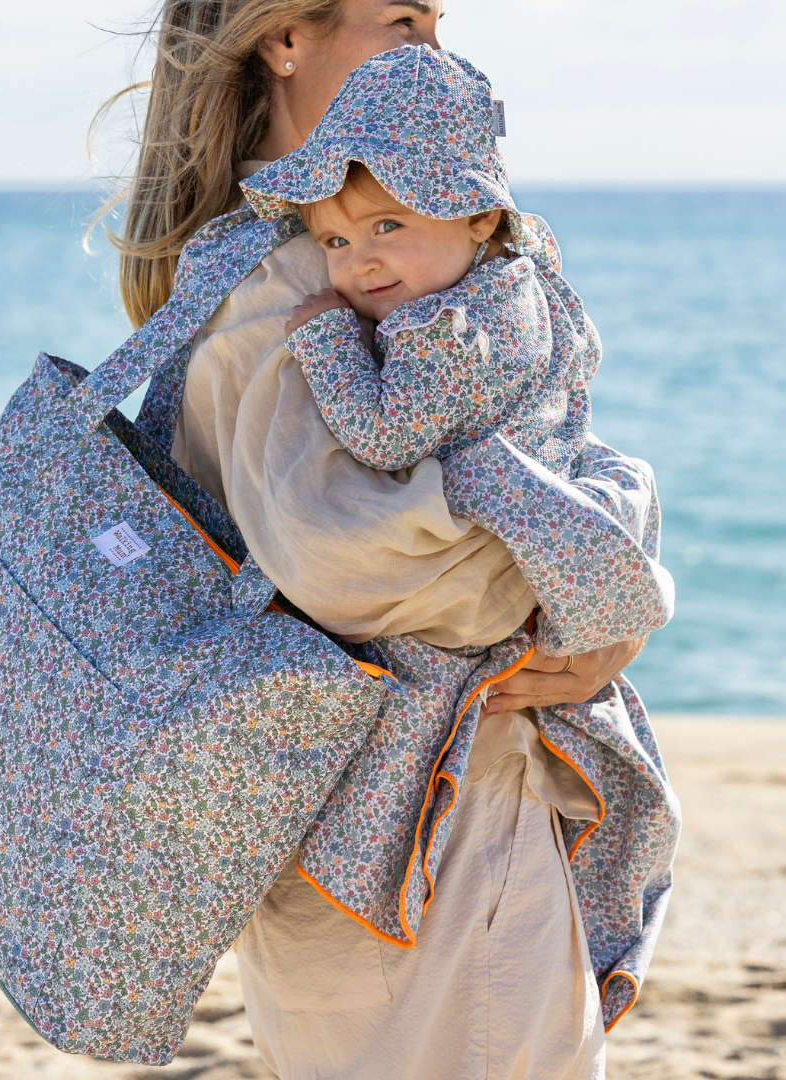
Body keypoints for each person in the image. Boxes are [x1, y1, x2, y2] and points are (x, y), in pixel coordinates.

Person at [96, 2, 679, 1077]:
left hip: (358, 832)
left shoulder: (295, 259)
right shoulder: (293, 280)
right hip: (425, 833)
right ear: (284, 37)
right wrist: (585, 578)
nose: (436, 53)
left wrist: (600, 533)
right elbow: (348, 564)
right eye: (405, 19)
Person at [243, 48, 595, 478]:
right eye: (336, 241)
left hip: (490, 511)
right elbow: (587, 352)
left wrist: (326, 340)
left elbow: (383, 440)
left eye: (387, 226)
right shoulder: (527, 276)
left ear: (478, 216)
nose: (361, 264)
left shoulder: (448, 329)